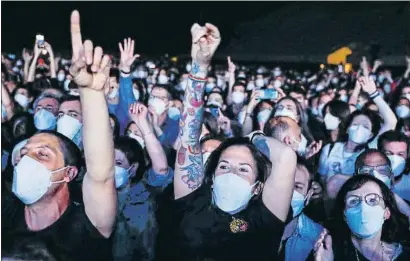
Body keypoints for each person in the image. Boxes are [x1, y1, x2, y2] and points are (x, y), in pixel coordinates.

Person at [156, 22, 297, 261]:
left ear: (258, 187)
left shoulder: (264, 218)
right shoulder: (193, 202)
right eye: (224, 166)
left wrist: (251, 138)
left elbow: (285, 156)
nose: (232, 172)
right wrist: (200, 65)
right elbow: (190, 135)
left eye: (244, 169)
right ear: (210, 176)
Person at [1, 10, 117, 261]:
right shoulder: (5, 211)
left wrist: (91, 92)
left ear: (69, 173)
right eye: (24, 153)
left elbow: (101, 175)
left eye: (42, 153)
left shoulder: (86, 226)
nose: (26, 159)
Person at [318, 76, 397, 183]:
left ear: (370, 134)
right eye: (355, 124)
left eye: (365, 127)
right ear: (347, 129)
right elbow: (322, 179)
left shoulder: (370, 149)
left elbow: (391, 122)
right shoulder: (329, 149)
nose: (359, 128)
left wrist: (373, 93)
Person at [314, 175, 410, 261]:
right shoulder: (328, 252)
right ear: (344, 215)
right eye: (353, 201)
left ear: (386, 213)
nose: (363, 207)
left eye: (372, 200)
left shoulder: (403, 255)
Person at [278, 162, 324, 261]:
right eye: (281, 182)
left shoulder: (319, 237)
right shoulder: (244, 226)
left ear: (308, 195)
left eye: (297, 187)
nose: (287, 191)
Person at [378, 131, 410, 202]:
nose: (394, 159)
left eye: (400, 154)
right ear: (379, 154)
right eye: (388, 153)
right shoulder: (368, 182)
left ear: (407, 156)